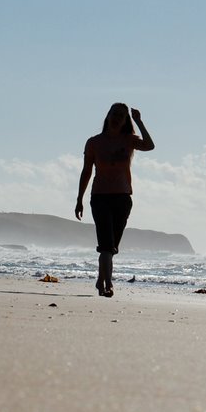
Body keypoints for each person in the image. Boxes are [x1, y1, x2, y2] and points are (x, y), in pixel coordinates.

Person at [75, 103, 155, 297]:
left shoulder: (129, 140)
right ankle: (107, 284)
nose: (118, 117)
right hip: (100, 197)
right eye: (115, 113)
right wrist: (79, 199)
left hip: (123, 198)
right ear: (108, 116)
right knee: (106, 246)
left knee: (111, 248)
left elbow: (150, 146)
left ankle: (100, 280)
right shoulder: (94, 142)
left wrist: (139, 121)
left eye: (122, 115)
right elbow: (86, 171)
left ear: (125, 120)